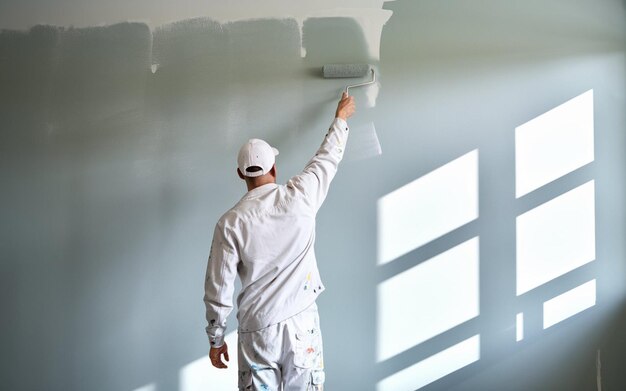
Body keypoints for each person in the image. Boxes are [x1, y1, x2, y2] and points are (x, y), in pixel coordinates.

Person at [203, 92, 356, 390]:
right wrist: (341, 117)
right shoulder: (300, 196)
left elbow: (218, 289)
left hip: (257, 331)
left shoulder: (230, 223)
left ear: (240, 174)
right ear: (274, 168)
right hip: (301, 324)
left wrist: (216, 338)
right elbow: (327, 157)